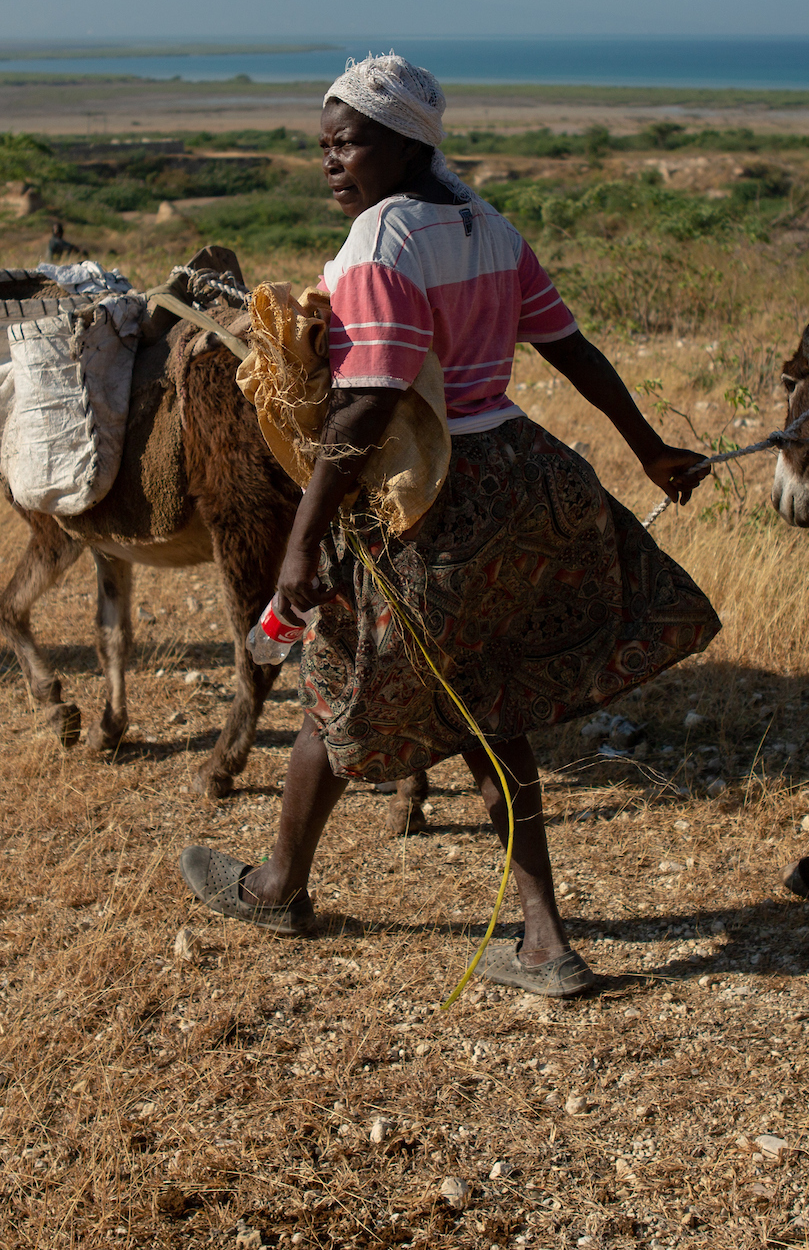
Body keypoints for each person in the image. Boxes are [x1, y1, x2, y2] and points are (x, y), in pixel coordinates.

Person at [175, 56, 721, 997]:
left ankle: (276, 887)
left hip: (428, 499)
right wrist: (646, 448)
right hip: (524, 478)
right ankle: (545, 942)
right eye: (325, 146)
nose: (331, 162)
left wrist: (304, 540)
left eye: (348, 143)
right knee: (488, 702)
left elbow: (370, 406)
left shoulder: (379, 247)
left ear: (406, 141)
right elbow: (568, 345)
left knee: (334, 690)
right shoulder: (487, 224)